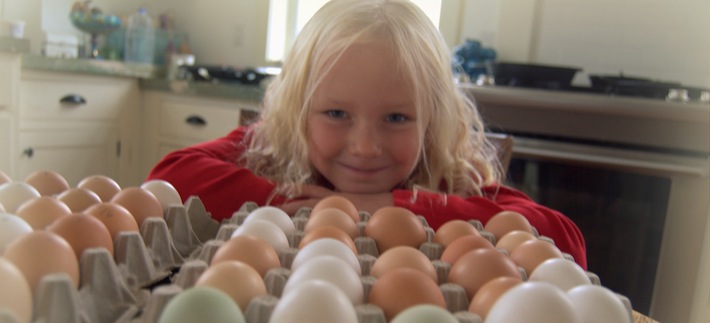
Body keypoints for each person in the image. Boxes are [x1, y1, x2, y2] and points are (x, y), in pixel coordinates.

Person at [147, 0, 587, 267]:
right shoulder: (275, 147)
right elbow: (168, 178)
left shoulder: (447, 177)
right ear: (299, 112)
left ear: (431, 122)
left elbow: (563, 238)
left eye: (396, 118)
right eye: (337, 113)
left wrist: (387, 208)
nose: (364, 146)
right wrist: (300, 205)